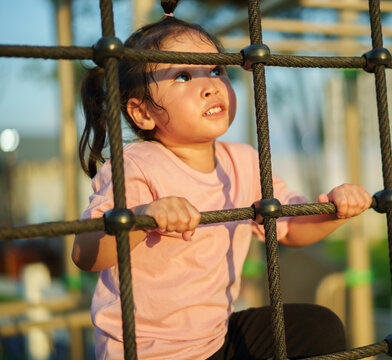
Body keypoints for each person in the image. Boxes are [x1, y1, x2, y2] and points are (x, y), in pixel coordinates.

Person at [72, 13, 372, 360]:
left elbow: (289, 227)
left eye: (216, 70)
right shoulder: (135, 165)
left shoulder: (242, 162)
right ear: (141, 113)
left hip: (214, 340)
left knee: (318, 326)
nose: (211, 85)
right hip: (147, 352)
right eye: (183, 75)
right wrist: (141, 217)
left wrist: (337, 210)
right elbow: (85, 252)